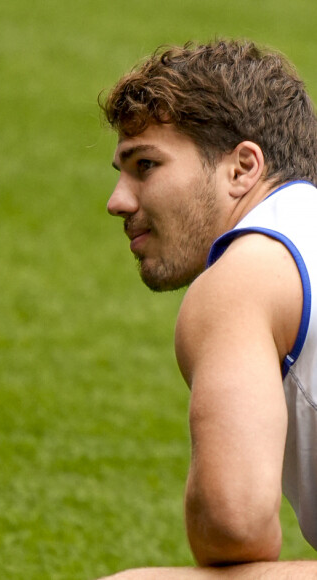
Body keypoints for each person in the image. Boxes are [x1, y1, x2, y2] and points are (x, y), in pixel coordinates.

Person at [97, 39, 317, 578]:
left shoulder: (240, 279)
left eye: (145, 164)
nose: (118, 201)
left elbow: (233, 522)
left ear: (243, 168)